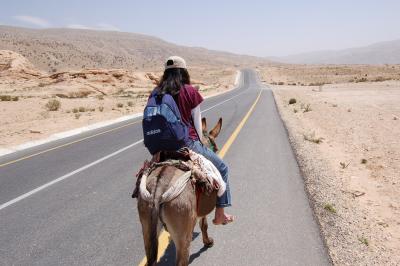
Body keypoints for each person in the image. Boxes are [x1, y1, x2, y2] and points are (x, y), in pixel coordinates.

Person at [154, 55, 234, 225]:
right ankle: (220, 214)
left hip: (160, 147)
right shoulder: (190, 91)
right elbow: (198, 127)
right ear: (183, 72)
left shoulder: (156, 92)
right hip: (186, 144)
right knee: (223, 168)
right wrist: (199, 145)